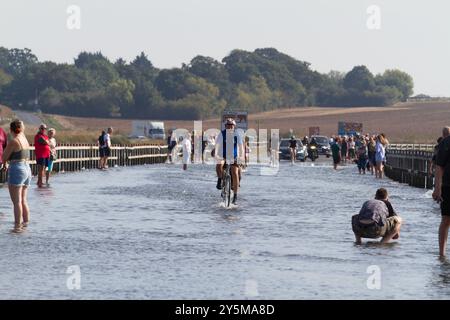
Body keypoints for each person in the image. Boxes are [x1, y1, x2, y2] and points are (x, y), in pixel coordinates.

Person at [2, 120, 32, 233]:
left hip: (17, 168)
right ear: (22, 128)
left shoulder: (14, 141)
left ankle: (17, 227)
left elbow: (4, 157)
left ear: (11, 130)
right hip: (27, 168)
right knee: (24, 200)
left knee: (16, 202)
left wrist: (5, 162)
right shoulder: (24, 139)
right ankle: (26, 224)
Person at [215, 118, 244, 205]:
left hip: (233, 157)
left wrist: (241, 156)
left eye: (231, 125)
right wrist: (216, 155)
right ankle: (220, 180)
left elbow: (241, 147)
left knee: (235, 172)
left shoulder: (237, 135)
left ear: (234, 126)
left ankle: (235, 195)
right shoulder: (222, 134)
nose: (230, 127)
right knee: (219, 165)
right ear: (225, 126)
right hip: (223, 156)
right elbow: (217, 145)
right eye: (228, 125)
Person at [432, 127, 450, 257]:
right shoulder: (446, 143)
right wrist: (437, 188)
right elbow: (439, 166)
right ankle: (442, 253)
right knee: (446, 219)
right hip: (448, 186)